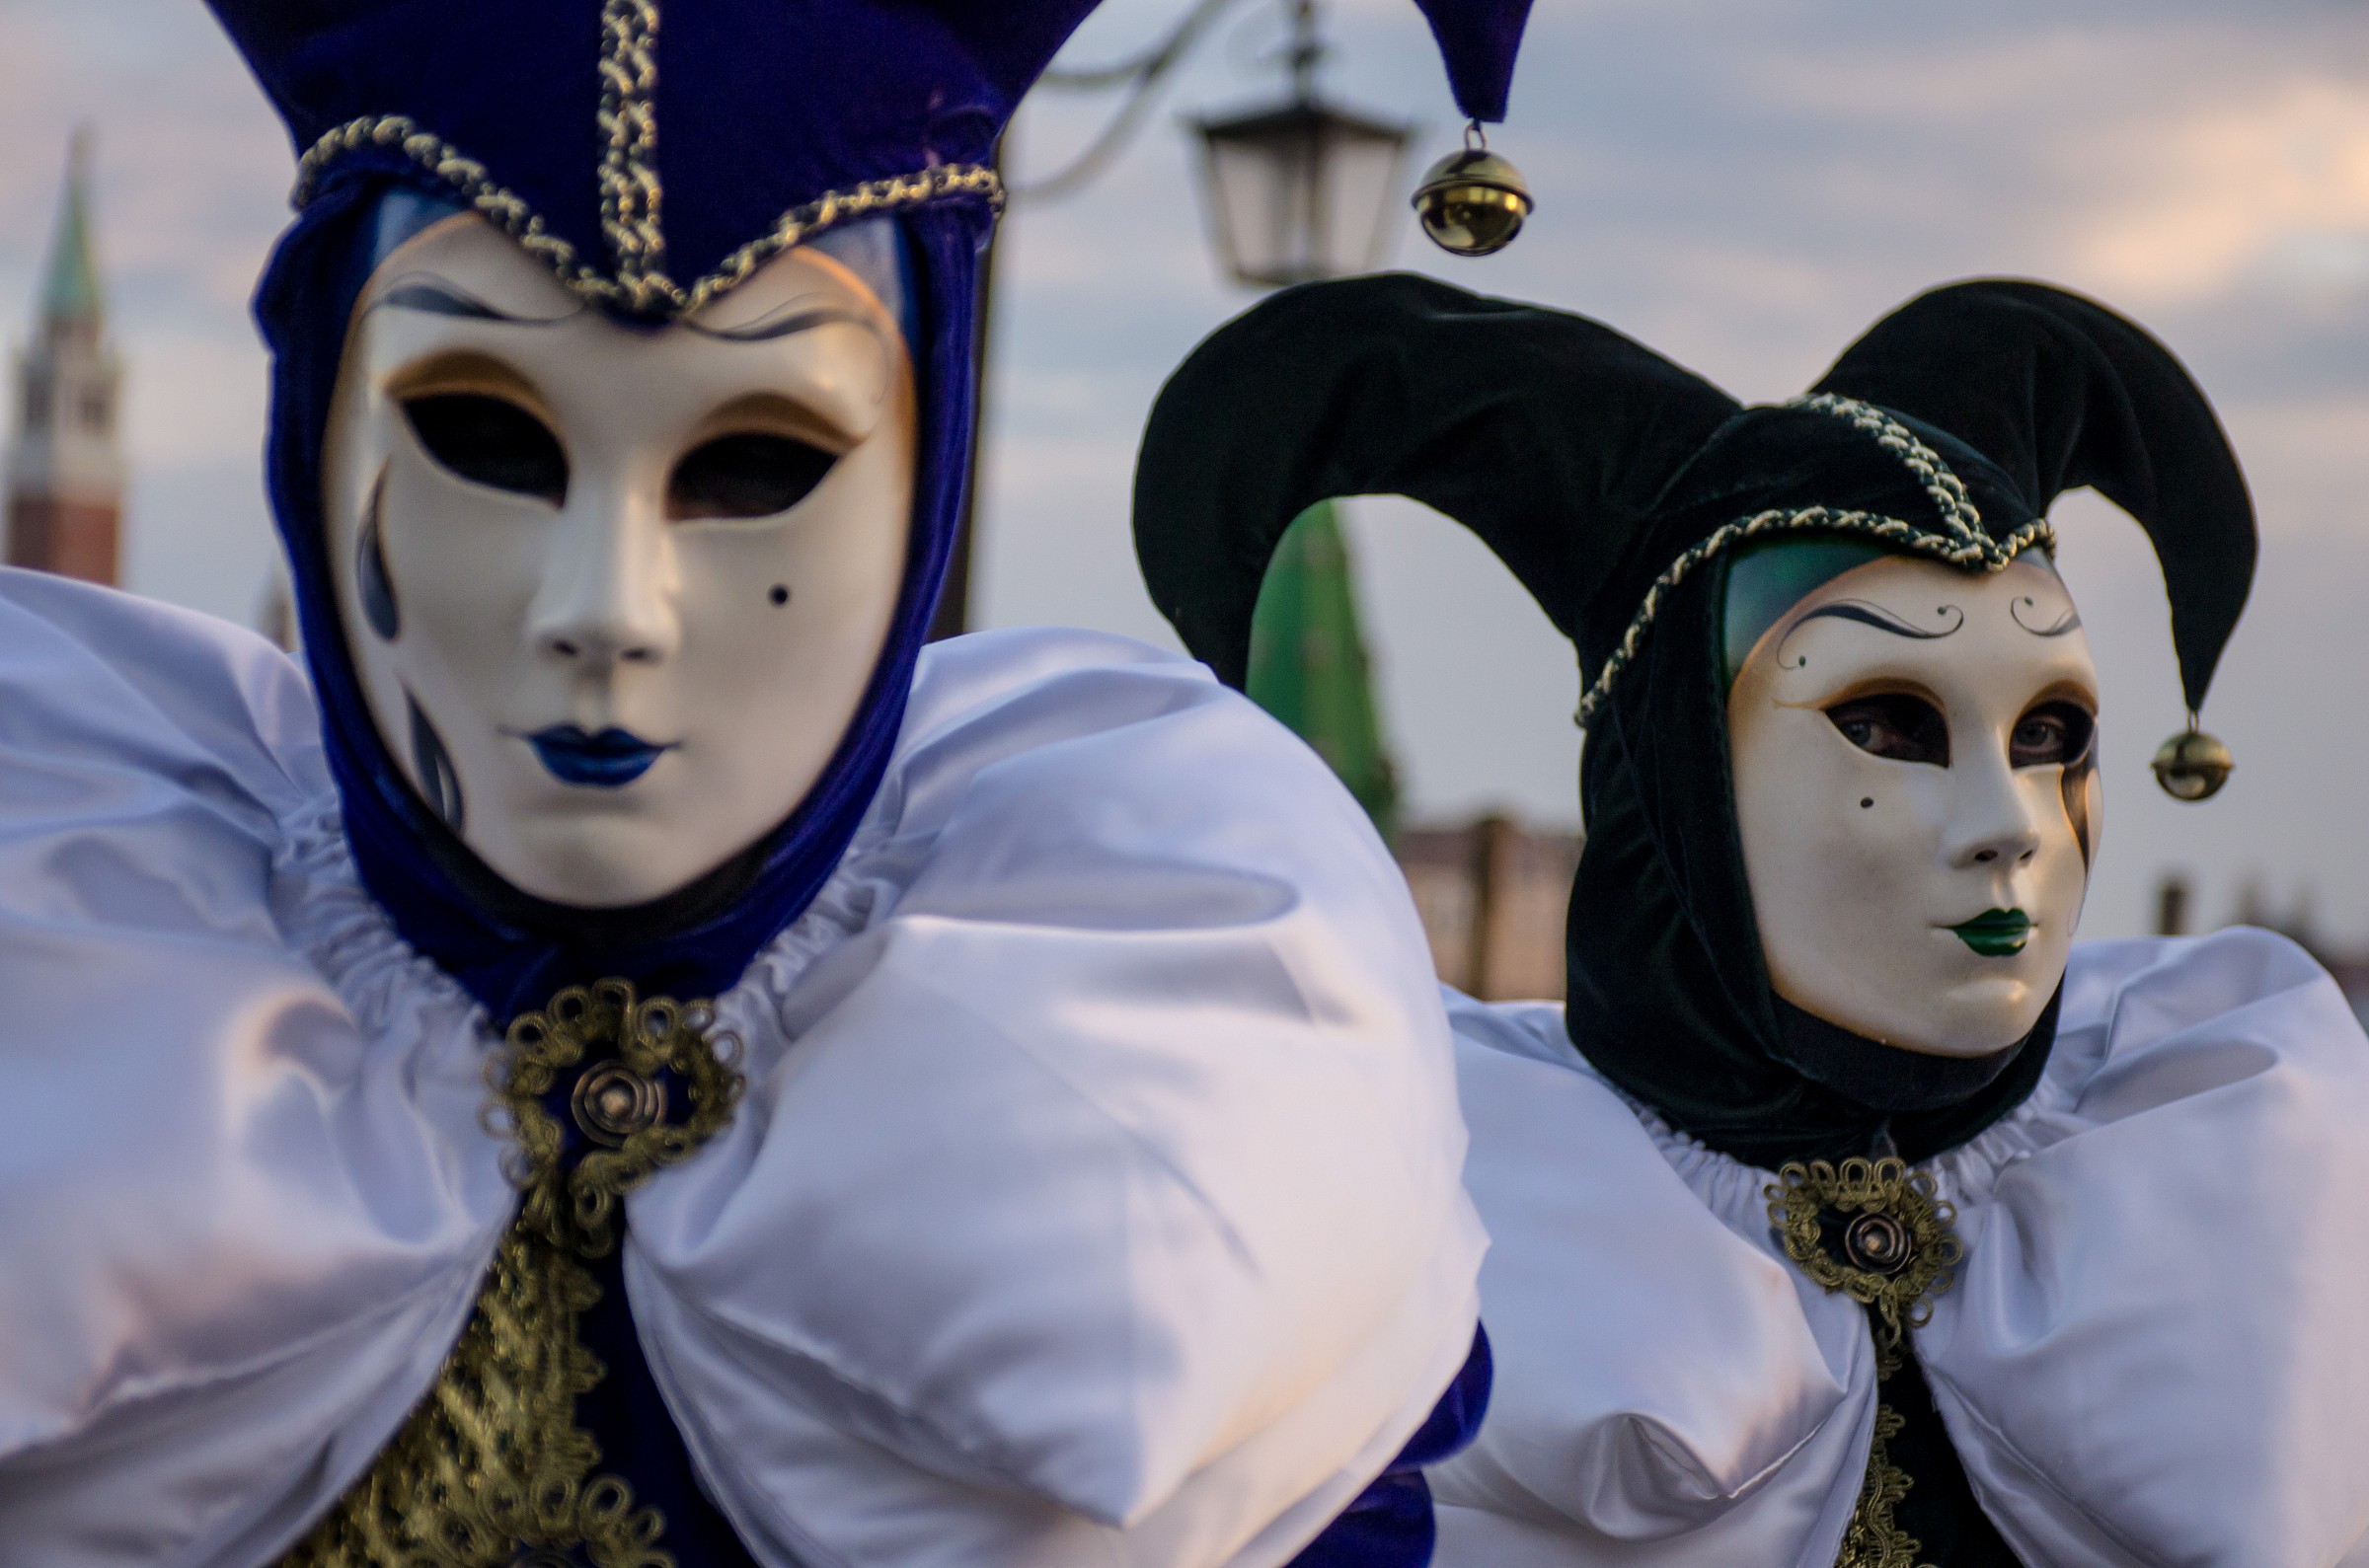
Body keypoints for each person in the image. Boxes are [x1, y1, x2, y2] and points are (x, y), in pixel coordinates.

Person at [0, 5, 1536, 1564]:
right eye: (484, 435)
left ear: (922, 474)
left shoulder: (1189, 1096)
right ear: (311, 431)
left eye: (756, 459)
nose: (609, 602)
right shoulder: (71, 971)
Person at [1133, 272, 2369, 1565]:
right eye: (1888, 722)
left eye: (2052, 729)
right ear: (1673, 780)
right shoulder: (1434, 1229)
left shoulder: (2228, 1175)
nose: (2012, 820)